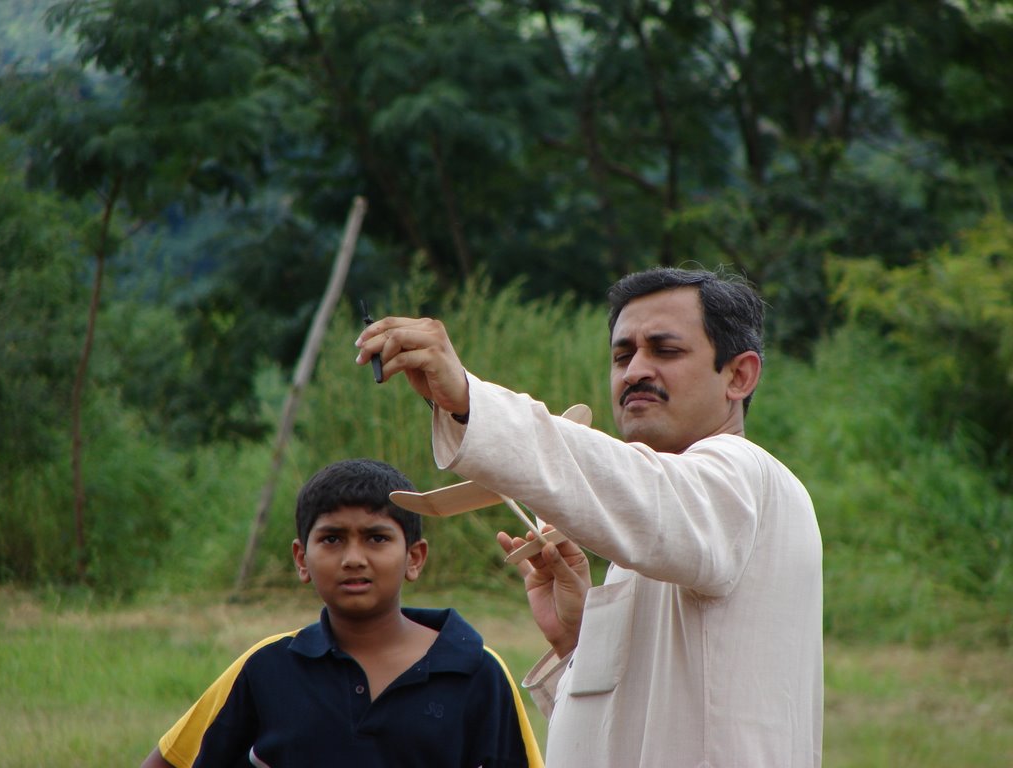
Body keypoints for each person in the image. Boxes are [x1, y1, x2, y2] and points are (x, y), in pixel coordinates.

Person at [355, 266, 824, 767]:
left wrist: (472, 402)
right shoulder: (670, 513)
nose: (635, 371)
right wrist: (578, 640)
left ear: (739, 375)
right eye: (623, 355)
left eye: (665, 350)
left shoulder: (743, 477)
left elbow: (636, 488)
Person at [140, 458, 543, 768]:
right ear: (302, 559)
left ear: (414, 558)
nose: (353, 558)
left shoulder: (479, 673)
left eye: (376, 538)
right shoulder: (266, 668)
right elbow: (168, 761)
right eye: (332, 539)